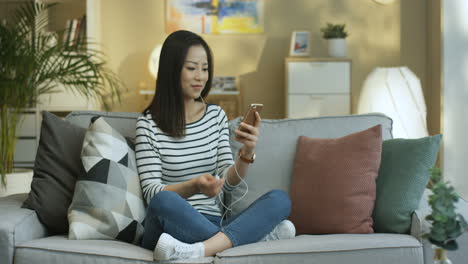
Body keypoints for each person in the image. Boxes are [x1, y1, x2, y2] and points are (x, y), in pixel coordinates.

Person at [135, 30, 294, 261]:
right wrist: (194, 186)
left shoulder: (215, 116)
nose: (201, 76)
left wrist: (247, 153)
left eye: (205, 68)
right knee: (163, 200)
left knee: (280, 199)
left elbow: (228, 185)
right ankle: (247, 240)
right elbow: (151, 194)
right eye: (191, 68)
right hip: (169, 224)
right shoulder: (147, 124)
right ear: (171, 69)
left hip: (212, 221)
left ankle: (199, 251)